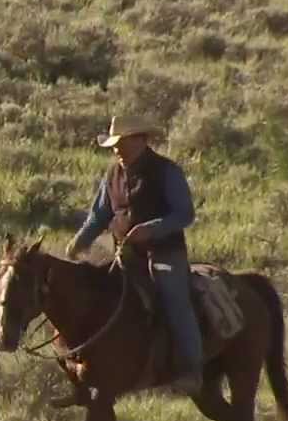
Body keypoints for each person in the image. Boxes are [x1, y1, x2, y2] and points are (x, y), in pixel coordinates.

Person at [65, 115, 202, 395]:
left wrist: (151, 230)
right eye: (114, 144)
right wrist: (78, 243)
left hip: (164, 253)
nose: (116, 150)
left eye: (121, 143)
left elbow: (184, 214)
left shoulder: (167, 171)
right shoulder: (113, 174)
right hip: (124, 256)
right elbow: (99, 215)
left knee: (174, 299)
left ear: (140, 140)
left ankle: (192, 369)